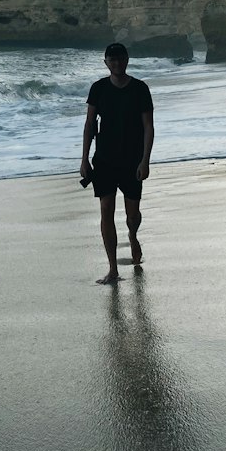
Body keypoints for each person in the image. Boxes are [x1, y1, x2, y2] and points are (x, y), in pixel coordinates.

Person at [80, 42, 154, 285]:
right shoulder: (98, 89)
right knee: (106, 211)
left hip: (132, 160)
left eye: (120, 59)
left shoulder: (140, 89)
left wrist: (145, 160)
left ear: (127, 60)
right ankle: (112, 268)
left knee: (132, 214)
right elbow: (90, 125)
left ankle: (132, 235)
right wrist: (83, 159)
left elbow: (148, 127)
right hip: (104, 159)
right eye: (112, 60)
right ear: (105, 63)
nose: (117, 63)